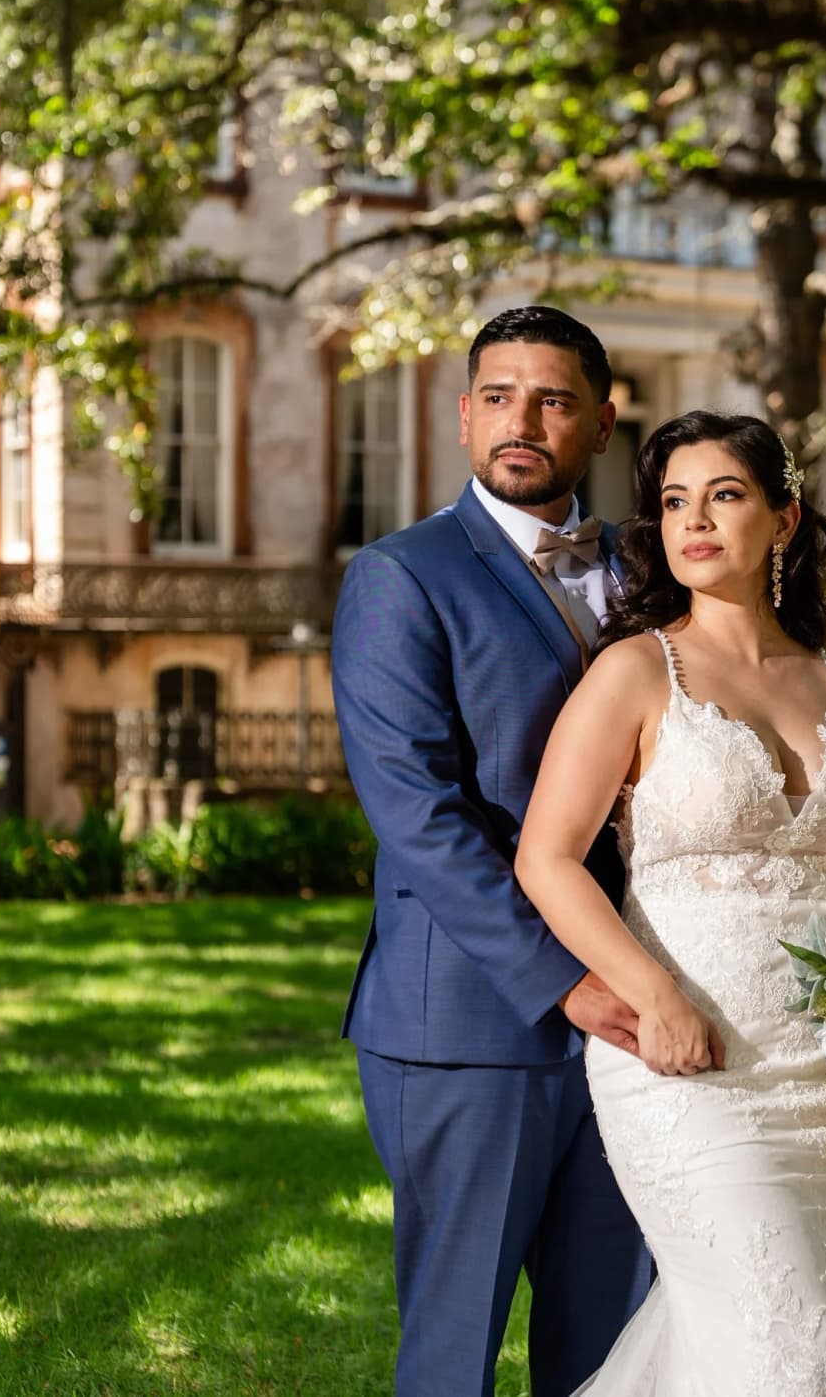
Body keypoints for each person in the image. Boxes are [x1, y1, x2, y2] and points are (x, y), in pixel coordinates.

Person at [515, 410, 826, 1395]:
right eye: (675, 500)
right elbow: (547, 858)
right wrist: (651, 993)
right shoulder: (637, 671)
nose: (694, 521)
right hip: (687, 1056)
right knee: (780, 1347)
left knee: (761, 1340)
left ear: (785, 516)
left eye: (724, 495)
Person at [331, 306, 655, 1397]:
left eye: (556, 398)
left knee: (613, 1343)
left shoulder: (652, 581)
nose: (526, 420)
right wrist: (564, 978)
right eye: (502, 396)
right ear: (467, 416)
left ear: (603, 424)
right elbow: (419, 813)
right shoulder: (400, 576)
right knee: (454, 1350)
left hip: (642, 1019)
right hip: (472, 1021)